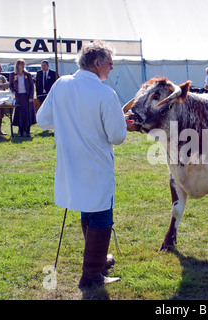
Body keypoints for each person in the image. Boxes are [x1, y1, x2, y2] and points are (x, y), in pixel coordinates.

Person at [37, 41, 127, 287]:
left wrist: (70, 122)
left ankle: (97, 262)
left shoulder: (61, 84)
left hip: (70, 163)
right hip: (96, 165)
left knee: (88, 207)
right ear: (97, 63)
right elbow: (117, 136)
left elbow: (43, 120)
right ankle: (91, 276)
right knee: (101, 215)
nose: (111, 69)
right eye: (109, 64)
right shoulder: (105, 93)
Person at [9, 59, 36, 137]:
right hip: (18, 96)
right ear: (17, 65)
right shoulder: (13, 75)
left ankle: (28, 131)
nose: (22, 66)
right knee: (20, 114)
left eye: (23, 64)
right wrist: (13, 91)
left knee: (28, 113)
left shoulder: (27, 74)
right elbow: (10, 85)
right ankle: (21, 131)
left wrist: (31, 96)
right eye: (21, 64)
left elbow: (32, 86)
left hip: (27, 96)